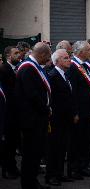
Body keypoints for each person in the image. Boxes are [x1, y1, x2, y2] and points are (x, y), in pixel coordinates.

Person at [15, 42, 52, 189]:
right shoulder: (28, 68)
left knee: (36, 151)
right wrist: (45, 108)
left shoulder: (34, 67)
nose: (48, 60)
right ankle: (28, 183)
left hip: (38, 117)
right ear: (42, 54)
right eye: (48, 56)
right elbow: (33, 95)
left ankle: (33, 181)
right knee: (31, 153)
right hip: (31, 119)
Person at [45, 49, 74, 186]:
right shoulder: (52, 75)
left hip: (66, 118)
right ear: (57, 61)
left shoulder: (65, 74)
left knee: (63, 147)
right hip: (56, 118)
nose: (69, 60)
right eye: (65, 58)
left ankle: (59, 173)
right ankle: (51, 175)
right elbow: (52, 99)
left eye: (68, 57)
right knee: (54, 148)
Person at [68, 41, 90, 179]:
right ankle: (75, 168)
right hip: (80, 110)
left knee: (86, 140)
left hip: (88, 110)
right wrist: (76, 111)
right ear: (80, 52)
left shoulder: (84, 66)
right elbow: (73, 91)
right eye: (87, 50)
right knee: (77, 142)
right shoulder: (73, 66)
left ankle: (83, 166)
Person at [0, 46, 21, 179]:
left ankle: (12, 166)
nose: (19, 55)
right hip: (8, 112)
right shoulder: (4, 70)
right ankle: (7, 168)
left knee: (14, 142)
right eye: (16, 53)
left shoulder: (17, 68)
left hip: (16, 113)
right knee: (8, 143)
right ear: (8, 56)